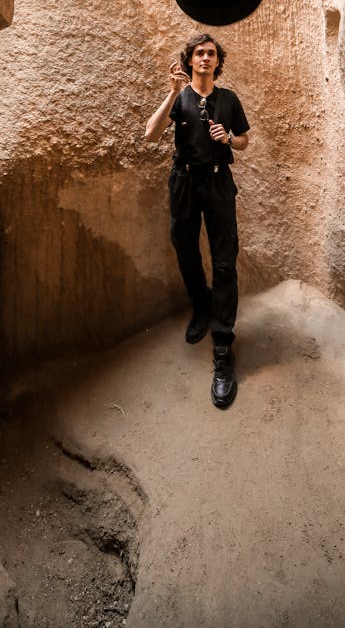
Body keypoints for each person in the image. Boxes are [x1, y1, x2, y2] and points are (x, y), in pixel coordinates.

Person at [145, 33, 250, 409]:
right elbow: (151, 132)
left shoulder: (228, 99)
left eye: (212, 54)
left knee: (224, 261)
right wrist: (172, 93)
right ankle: (202, 306)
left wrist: (229, 138)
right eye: (199, 53)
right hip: (185, 181)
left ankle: (223, 349)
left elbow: (245, 141)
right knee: (185, 248)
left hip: (219, 181)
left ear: (218, 62)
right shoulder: (181, 97)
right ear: (189, 60)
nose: (206, 58)